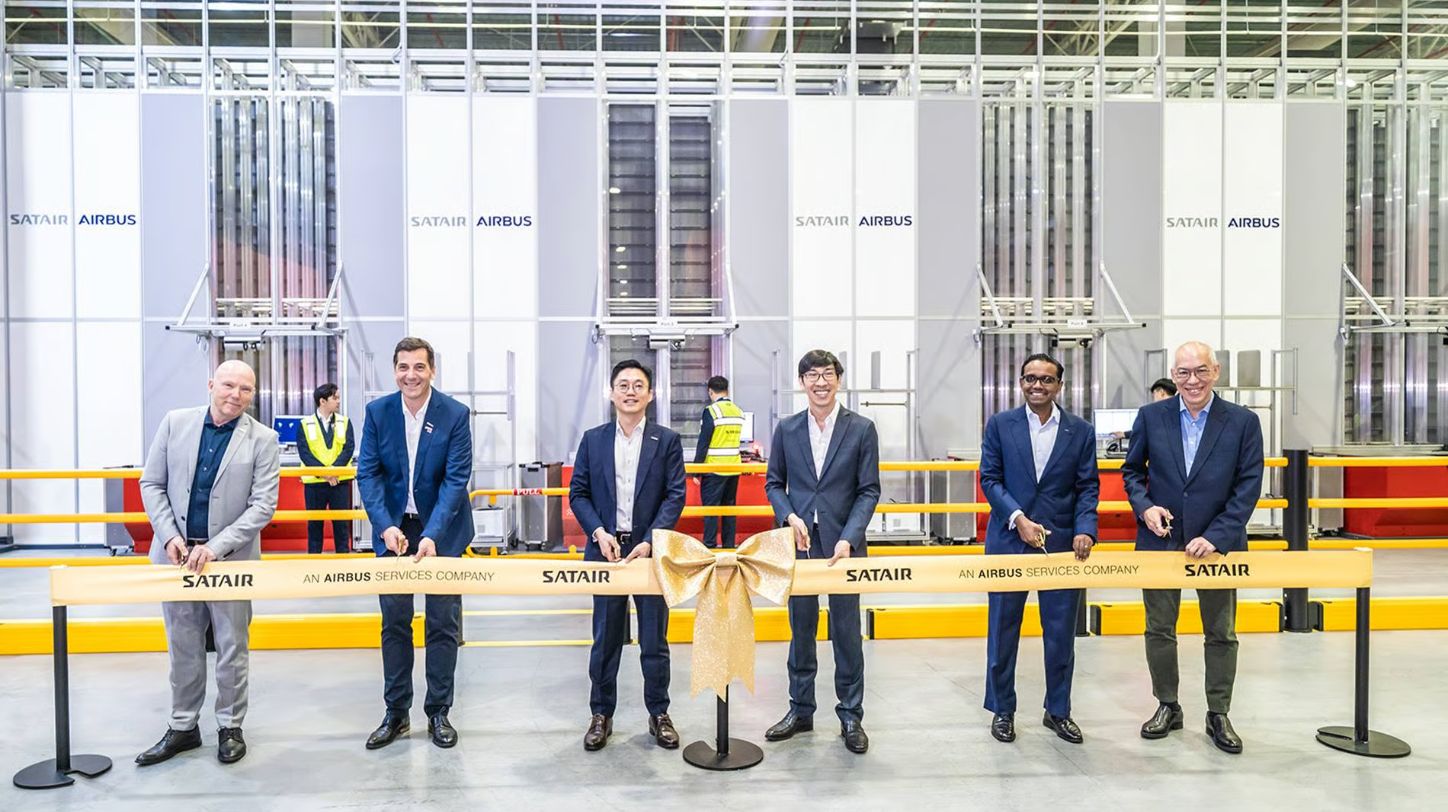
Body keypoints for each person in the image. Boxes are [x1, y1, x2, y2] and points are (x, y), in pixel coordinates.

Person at [1122, 340, 1264, 755]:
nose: (1192, 380)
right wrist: (1145, 508)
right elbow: (1131, 472)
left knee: (1220, 631)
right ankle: (1168, 704)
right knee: (1159, 629)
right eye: (1183, 372)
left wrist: (1217, 536)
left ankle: (1218, 712)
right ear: (1174, 374)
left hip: (1217, 547)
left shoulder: (1242, 421)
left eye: (1200, 370)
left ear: (1216, 371)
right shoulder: (1151, 416)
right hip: (1160, 542)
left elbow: (1248, 486)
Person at [136, 360, 280, 766]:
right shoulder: (174, 423)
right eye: (229, 385)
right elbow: (152, 483)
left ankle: (230, 726)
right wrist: (170, 537)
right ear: (211, 384)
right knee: (182, 644)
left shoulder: (263, 440)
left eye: (246, 390)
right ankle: (183, 727)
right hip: (177, 559)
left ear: (253, 395)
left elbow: (262, 507)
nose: (236, 395)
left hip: (229, 563)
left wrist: (216, 547)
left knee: (233, 645)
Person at [356, 337, 476, 751]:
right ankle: (396, 713)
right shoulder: (377, 412)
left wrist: (432, 535)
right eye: (403, 367)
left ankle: (439, 711)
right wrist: (385, 526)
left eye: (419, 367)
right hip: (393, 531)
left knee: (443, 624)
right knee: (394, 623)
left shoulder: (455, 415)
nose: (411, 375)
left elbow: (456, 481)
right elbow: (367, 475)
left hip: (443, 530)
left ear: (432, 370)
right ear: (394, 370)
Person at [763, 349, 881, 754]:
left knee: (847, 632)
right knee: (801, 631)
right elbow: (774, 483)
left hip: (845, 547)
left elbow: (869, 490)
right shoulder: (788, 429)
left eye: (827, 374)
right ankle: (801, 710)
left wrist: (851, 536)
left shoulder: (862, 429)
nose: (820, 382)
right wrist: (789, 516)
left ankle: (851, 715)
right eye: (811, 375)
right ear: (801, 382)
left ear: (839, 379)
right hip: (799, 545)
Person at [978, 353, 1099, 745]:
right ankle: (1002, 710)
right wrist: (1018, 519)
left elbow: (1087, 487)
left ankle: (1058, 711)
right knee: (1002, 629)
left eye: (1046, 380)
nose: (1037, 386)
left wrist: (1086, 529)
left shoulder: (1080, 432)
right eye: (1030, 378)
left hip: (1063, 547)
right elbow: (990, 479)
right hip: (1010, 541)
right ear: (1020, 382)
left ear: (1059, 386)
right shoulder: (1000, 425)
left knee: (1061, 634)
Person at [568, 359, 687, 752]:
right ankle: (601, 714)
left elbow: (675, 495)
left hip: (649, 554)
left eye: (638, 385)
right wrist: (599, 533)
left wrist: (651, 540)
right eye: (623, 384)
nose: (630, 391)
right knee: (605, 639)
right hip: (606, 552)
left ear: (650, 394)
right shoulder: (593, 439)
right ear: (612, 393)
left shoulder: (666, 441)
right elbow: (579, 493)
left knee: (655, 639)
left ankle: (659, 714)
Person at [297, 382, 356, 554]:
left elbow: (348, 449)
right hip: (315, 482)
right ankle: (314, 564)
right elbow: (305, 453)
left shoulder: (345, 422)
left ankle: (343, 563)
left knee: (341, 525)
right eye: (335, 398)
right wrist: (325, 474)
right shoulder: (305, 424)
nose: (338, 401)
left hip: (340, 482)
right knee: (315, 525)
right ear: (322, 401)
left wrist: (333, 472)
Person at [693, 375, 746, 549]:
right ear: (727, 390)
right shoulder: (738, 411)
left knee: (711, 511)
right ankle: (729, 546)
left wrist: (696, 470)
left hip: (714, 468)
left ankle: (709, 546)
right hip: (734, 468)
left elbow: (704, 442)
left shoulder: (712, 411)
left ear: (710, 391)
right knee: (730, 510)